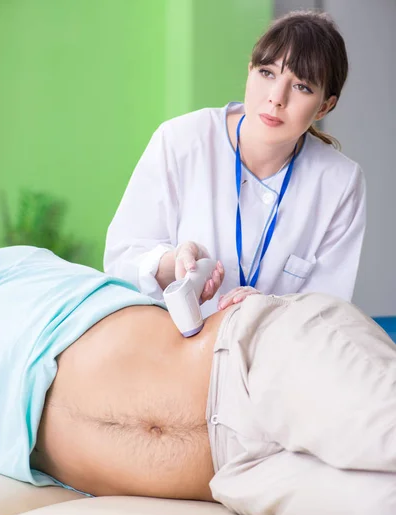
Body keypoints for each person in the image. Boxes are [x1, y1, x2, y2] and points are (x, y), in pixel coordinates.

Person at [0, 246, 395, 515]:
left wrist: (173, 262)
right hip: (238, 476)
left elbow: (133, 273)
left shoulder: (16, 268)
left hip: (250, 356)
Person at [104, 10, 366, 320]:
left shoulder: (340, 182)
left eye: (302, 87)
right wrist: (173, 262)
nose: (276, 98)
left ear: (325, 106)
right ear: (250, 70)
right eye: (267, 73)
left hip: (273, 356)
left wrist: (271, 307)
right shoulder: (181, 140)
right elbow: (121, 259)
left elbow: (330, 309)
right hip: (172, 349)